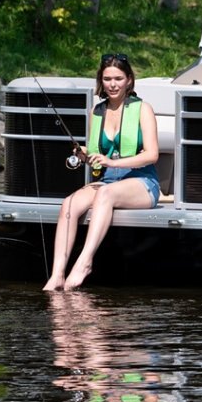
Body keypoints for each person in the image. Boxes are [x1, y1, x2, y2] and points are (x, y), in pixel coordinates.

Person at [43, 53, 160, 291]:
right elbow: (97, 157)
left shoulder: (143, 109)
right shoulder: (96, 112)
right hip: (108, 181)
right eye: (107, 79)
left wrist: (113, 163)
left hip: (142, 181)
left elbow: (152, 155)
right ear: (101, 81)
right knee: (69, 203)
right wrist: (86, 155)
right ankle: (57, 275)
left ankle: (85, 262)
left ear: (129, 80)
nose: (113, 84)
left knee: (105, 195)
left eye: (118, 79)